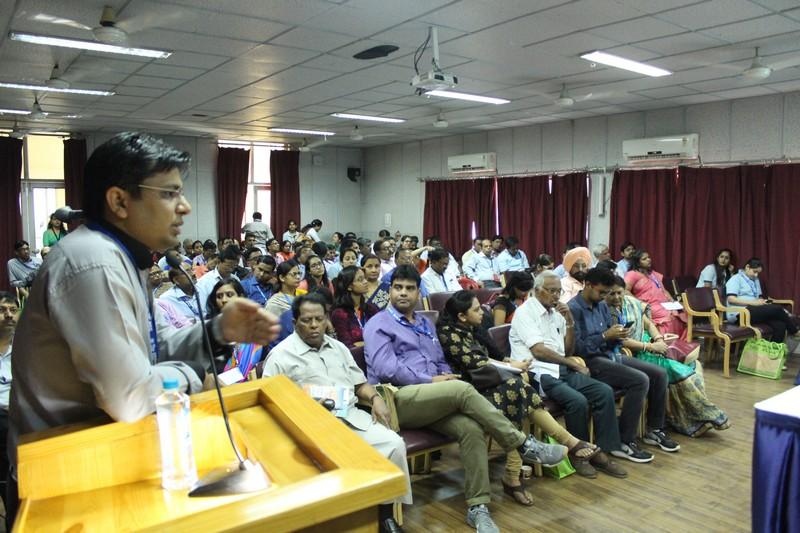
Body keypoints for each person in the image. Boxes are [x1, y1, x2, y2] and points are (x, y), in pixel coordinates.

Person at [7, 133, 279, 525]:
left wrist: (218, 330)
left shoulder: (120, 254)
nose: (184, 207)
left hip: (100, 459)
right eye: (169, 194)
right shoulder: (94, 263)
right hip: (64, 473)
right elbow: (131, 397)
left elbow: (151, 347)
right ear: (119, 201)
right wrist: (191, 375)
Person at [364, 265, 567, 533]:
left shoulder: (424, 323)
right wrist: (432, 381)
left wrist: (443, 375)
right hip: (398, 398)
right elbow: (387, 369)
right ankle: (523, 444)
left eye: (409, 288)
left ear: (417, 293)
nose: (403, 293)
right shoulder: (378, 324)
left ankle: (477, 507)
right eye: (397, 287)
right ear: (389, 290)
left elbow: (439, 359)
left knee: (471, 429)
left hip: (434, 398)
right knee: (461, 389)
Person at [263, 293, 411, 533]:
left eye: (319, 319)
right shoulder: (280, 356)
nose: (314, 325)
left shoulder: (339, 348)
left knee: (394, 445)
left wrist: (375, 398)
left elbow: (360, 385)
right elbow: (272, 404)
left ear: (327, 320)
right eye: (307, 320)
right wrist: (303, 407)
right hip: (312, 429)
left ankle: (385, 516)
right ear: (294, 322)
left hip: (351, 417)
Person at [438, 291, 598, 506]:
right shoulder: (448, 334)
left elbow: (494, 355)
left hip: (490, 383)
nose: (482, 312)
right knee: (515, 390)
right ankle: (563, 445)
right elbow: (474, 363)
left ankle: (516, 473)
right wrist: (510, 366)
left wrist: (512, 364)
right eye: (476, 309)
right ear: (461, 316)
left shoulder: (474, 328)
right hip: (467, 390)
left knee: (516, 391)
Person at [509, 270, 629, 479]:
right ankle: (578, 454)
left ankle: (603, 449)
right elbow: (538, 351)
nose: (556, 296)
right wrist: (572, 364)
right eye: (552, 291)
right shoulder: (524, 313)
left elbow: (568, 350)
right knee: (577, 401)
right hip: (537, 372)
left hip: (559, 368)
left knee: (603, 391)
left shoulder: (557, 313)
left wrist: (570, 322)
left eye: (559, 291)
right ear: (537, 290)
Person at [569, 268, 679, 461]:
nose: (604, 296)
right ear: (588, 285)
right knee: (640, 380)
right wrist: (605, 336)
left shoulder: (601, 305)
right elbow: (576, 348)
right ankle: (623, 440)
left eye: (606, 292)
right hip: (589, 362)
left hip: (610, 355)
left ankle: (654, 429)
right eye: (602, 292)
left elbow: (612, 340)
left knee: (659, 374)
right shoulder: (573, 309)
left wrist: (619, 335)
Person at [604, 276, 729, 437]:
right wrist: (650, 346)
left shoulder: (631, 303)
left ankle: (688, 415)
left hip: (648, 344)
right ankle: (697, 418)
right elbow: (620, 341)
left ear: (624, 291)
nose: (616, 297)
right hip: (631, 353)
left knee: (694, 366)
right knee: (678, 370)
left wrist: (658, 339)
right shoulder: (605, 310)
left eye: (619, 293)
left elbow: (648, 324)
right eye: (611, 293)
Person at [725, 257, 800, 342]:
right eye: (755, 271)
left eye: (758, 273)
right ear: (747, 267)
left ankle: (770, 350)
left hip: (754, 310)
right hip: (740, 313)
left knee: (780, 325)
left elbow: (759, 297)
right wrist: (754, 303)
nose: (756, 275)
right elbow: (731, 299)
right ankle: (795, 332)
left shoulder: (755, 280)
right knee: (777, 309)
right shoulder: (736, 279)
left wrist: (764, 302)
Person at [625, 249, 687, 338]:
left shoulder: (653, 274)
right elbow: (625, 291)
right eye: (644, 259)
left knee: (680, 312)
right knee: (667, 314)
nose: (648, 260)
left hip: (664, 304)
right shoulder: (632, 274)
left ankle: (679, 342)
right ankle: (663, 341)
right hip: (649, 306)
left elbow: (664, 290)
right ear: (637, 262)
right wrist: (639, 303)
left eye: (648, 257)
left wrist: (672, 301)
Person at [331, 266, 379, 347]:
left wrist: (362, 344)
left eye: (364, 278)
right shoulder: (340, 314)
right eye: (360, 280)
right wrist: (371, 343)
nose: (365, 282)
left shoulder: (371, 308)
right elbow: (346, 346)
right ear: (349, 286)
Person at [0, 292, 19, 497]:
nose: (9, 315)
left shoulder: (25, 349)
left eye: (13, 310)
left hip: (17, 418)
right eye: (2, 310)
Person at [195, 245, 241, 314]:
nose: (231, 269)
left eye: (233, 266)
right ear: (219, 262)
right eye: (228, 266)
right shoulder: (205, 282)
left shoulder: (235, 279)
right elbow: (202, 310)